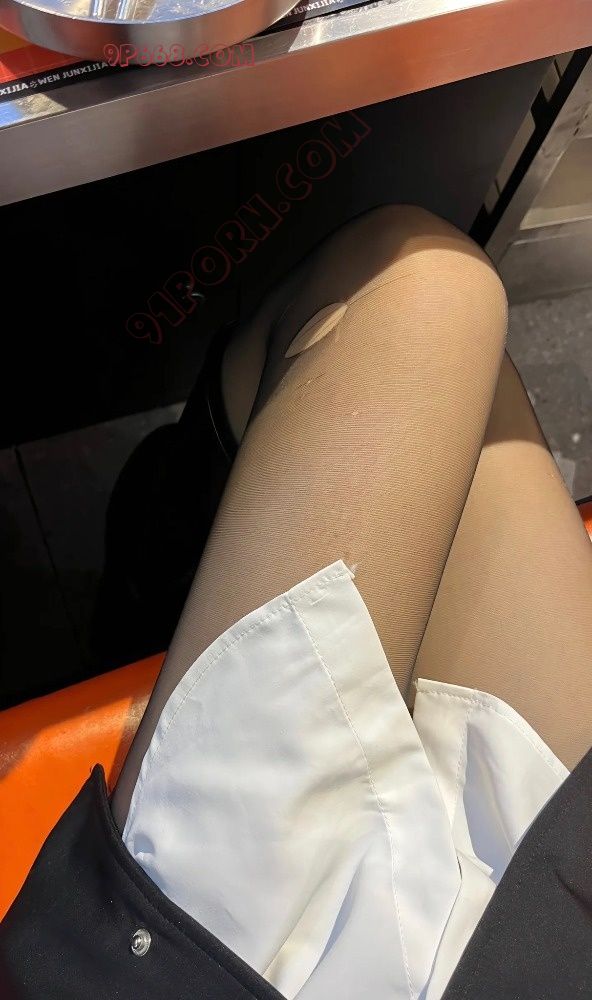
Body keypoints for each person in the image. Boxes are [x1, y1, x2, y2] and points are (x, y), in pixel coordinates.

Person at [2, 205, 592, 1000]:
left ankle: (161, 559)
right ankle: (177, 541)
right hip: (562, 925)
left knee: (418, 286)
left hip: (251, 973)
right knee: (455, 354)